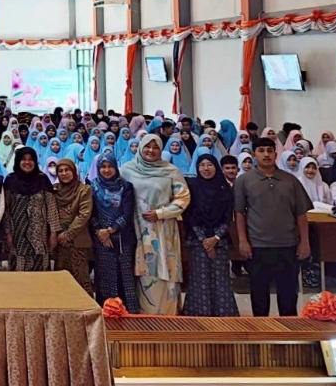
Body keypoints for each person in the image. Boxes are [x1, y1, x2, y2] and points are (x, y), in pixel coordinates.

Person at [235, 137, 312, 316]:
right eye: (261, 151)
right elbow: (239, 214)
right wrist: (242, 241)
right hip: (257, 246)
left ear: (276, 154)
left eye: (270, 151)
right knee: (259, 298)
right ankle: (262, 332)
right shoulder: (244, 181)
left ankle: (289, 333)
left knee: (288, 298)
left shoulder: (290, 180)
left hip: (288, 245)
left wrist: (305, 242)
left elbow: (301, 214)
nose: (266, 155)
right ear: (254, 154)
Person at [121, 134, 191, 315]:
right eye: (147, 146)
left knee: (165, 270)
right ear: (140, 147)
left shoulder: (171, 171)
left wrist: (161, 213)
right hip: (136, 230)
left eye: (155, 147)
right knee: (142, 272)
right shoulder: (127, 170)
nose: (150, 150)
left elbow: (183, 198)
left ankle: (167, 317)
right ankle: (144, 317)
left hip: (163, 230)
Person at [182, 154, 239, 316]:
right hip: (197, 242)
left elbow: (228, 217)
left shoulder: (224, 189)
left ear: (216, 167)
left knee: (221, 280)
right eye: (202, 165)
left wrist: (215, 238)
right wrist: (205, 241)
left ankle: (223, 316)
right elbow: (190, 217)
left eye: (210, 165)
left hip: (220, 243)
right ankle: (200, 316)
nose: (206, 169)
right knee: (200, 280)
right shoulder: (192, 188)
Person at [90, 153, 140, 312]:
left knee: (125, 275)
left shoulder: (126, 186)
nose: (106, 170)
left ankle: (128, 313)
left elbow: (127, 213)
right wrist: (100, 232)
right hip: (101, 239)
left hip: (123, 238)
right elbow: (90, 213)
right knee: (105, 276)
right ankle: (107, 311)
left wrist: (111, 230)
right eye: (103, 167)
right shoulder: (92, 186)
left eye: (110, 166)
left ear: (116, 167)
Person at [3, 146, 60, 272]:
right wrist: (8, 233)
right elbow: (6, 211)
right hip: (17, 237)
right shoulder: (10, 180)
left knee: (41, 275)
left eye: (30, 159)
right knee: (18, 275)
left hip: (40, 238)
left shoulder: (42, 179)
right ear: (18, 161)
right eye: (23, 159)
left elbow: (51, 208)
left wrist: (53, 233)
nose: (27, 162)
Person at [54, 158, 93, 295]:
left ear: (74, 172)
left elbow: (84, 215)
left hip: (77, 241)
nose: (64, 173)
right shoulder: (54, 190)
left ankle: (85, 307)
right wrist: (57, 234)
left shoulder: (84, 190)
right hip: (59, 242)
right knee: (60, 279)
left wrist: (68, 235)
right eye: (60, 171)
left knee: (80, 279)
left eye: (67, 170)